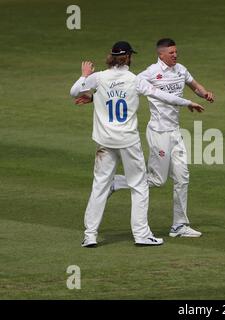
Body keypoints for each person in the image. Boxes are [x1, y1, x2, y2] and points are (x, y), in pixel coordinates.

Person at [69, 41, 204, 247]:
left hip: (105, 141)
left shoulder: (98, 78)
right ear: (129, 58)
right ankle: (141, 235)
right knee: (139, 186)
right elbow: (161, 95)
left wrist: (85, 75)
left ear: (111, 58)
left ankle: (90, 235)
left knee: (99, 187)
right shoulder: (134, 80)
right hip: (128, 141)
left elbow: (74, 91)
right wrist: (187, 102)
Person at [110, 38, 214, 238]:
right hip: (158, 132)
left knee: (183, 178)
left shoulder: (180, 69)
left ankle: (179, 225)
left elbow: (194, 85)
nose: (175, 55)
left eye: (176, 52)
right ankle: (117, 182)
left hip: (175, 132)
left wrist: (205, 93)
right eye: (171, 53)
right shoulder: (149, 73)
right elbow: (126, 85)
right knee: (157, 180)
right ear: (161, 55)